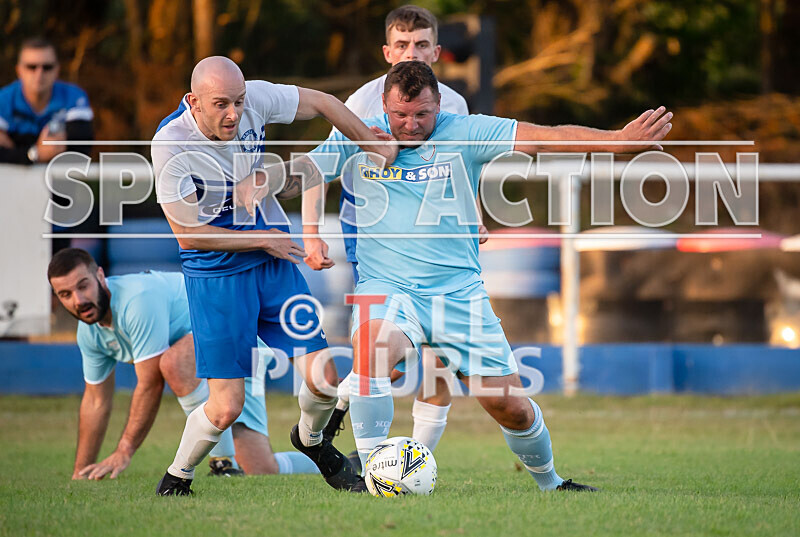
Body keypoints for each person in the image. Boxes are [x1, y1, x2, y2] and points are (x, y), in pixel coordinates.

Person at [302, 60, 672, 491]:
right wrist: (292, 218)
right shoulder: (360, 132)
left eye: (422, 114)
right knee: (372, 356)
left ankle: (552, 484)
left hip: (459, 293)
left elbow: (546, 138)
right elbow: (309, 170)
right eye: (400, 114)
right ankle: (371, 479)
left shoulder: (464, 130)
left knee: (509, 405)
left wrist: (617, 142)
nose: (410, 125)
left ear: (439, 104)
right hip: (388, 287)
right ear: (384, 103)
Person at [151, 56, 396, 495]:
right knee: (226, 406)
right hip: (217, 274)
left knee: (324, 380)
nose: (234, 114)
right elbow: (189, 237)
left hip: (271, 263)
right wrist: (264, 239)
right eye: (221, 104)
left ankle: (312, 441)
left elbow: (322, 101)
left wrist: (369, 143)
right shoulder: (170, 143)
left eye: (239, 103)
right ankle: (177, 476)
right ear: (194, 101)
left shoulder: (255, 99)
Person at [303, 5, 471, 456]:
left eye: (419, 45)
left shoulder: (454, 105)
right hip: (373, 237)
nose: (409, 53)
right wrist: (312, 234)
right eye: (401, 45)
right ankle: (352, 434)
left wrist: (472, 220)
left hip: (438, 242)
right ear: (386, 50)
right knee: (381, 352)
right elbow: (318, 168)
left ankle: (414, 460)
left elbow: (458, 173)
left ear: (437, 51)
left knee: (439, 358)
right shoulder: (360, 104)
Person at [48, 248, 321, 480]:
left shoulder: (136, 301)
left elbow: (150, 384)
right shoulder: (89, 332)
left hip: (238, 340)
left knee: (175, 362)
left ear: (100, 276)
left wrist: (124, 450)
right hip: (214, 358)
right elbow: (96, 401)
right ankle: (336, 460)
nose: (78, 300)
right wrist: (80, 471)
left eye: (82, 286)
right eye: (65, 294)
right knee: (262, 469)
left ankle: (222, 463)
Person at [0, 37, 93, 164]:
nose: (39, 74)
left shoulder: (74, 96)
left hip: (59, 181)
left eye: (47, 67)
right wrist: (36, 153)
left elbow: (80, 148)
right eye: (31, 67)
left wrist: (16, 149)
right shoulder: (3, 100)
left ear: (57, 70)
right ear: (19, 70)